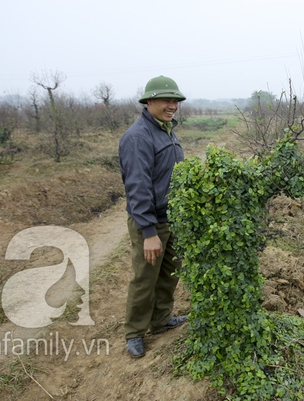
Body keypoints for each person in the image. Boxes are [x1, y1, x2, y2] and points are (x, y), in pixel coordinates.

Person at [118, 75, 188, 358]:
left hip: (171, 218)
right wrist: (148, 233)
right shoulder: (138, 137)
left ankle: (160, 320)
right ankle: (134, 332)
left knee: (169, 272)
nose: (172, 105)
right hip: (151, 221)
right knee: (146, 277)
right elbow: (137, 187)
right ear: (149, 102)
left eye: (175, 101)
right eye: (166, 100)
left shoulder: (166, 129)